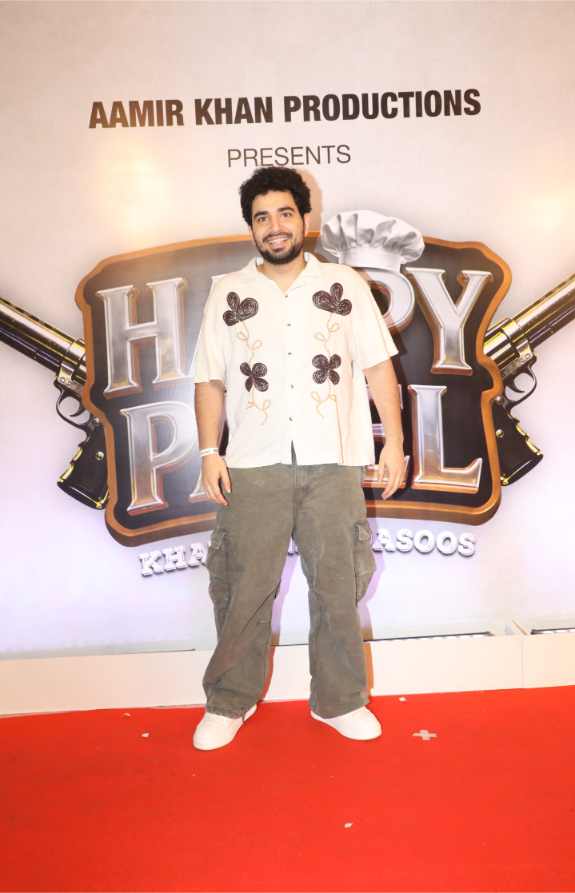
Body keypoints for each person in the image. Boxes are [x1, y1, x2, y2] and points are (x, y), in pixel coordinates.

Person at [193, 166, 406, 750]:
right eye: (262, 217)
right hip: (252, 463)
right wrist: (210, 451)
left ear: (305, 219)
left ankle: (339, 701)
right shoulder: (227, 292)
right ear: (251, 228)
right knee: (244, 586)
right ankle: (229, 701)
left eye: (285, 213)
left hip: (333, 460)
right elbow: (210, 380)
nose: (275, 226)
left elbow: (378, 366)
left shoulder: (344, 284)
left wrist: (394, 443)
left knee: (337, 586)